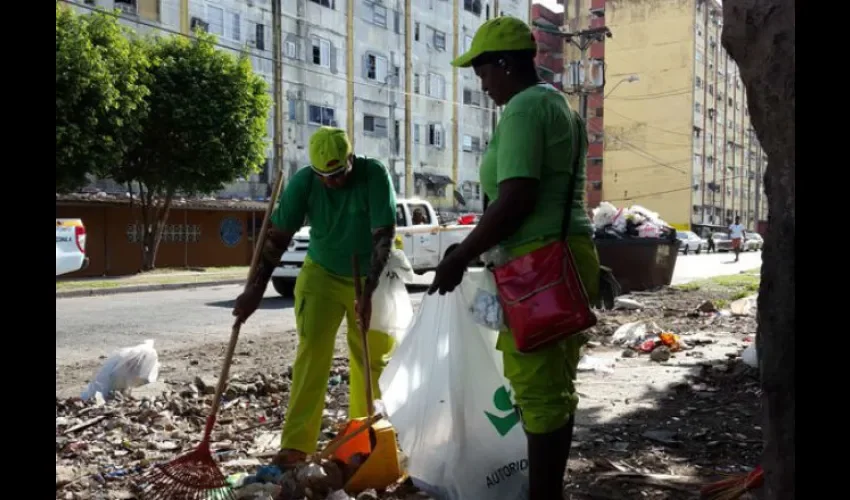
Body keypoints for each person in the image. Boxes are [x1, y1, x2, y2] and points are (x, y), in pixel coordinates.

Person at [427, 16, 600, 499]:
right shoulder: (557, 106)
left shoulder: (524, 109)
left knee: (539, 390)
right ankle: (548, 490)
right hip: (559, 258)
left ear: (506, 64)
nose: (481, 83)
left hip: (537, 265)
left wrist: (461, 254)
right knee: (550, 386)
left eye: (483, 71)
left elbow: (517, 197)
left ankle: (544, 495)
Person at [232, 126, 398, 466]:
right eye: (325, 175)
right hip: (320, 274)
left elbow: (384, 235)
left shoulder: (374, 175)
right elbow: (278, 237)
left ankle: (365, 436)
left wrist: (367, 292)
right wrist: (255, 290)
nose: (332, 182)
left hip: (367, 275)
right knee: (312, 354)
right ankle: (296, 445)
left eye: (339, 174)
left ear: (351, 159)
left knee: (370, 358)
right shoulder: (304, 182)